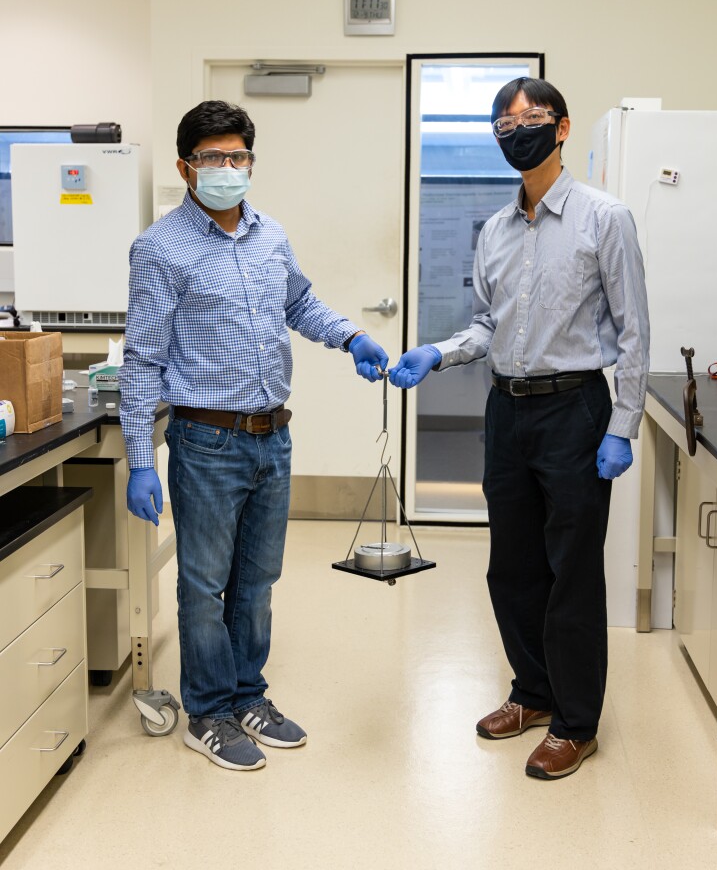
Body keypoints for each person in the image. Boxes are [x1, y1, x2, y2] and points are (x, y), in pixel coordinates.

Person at [389, 78, 650, 780]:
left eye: (531, 119)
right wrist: (438, 351)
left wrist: (622, 424)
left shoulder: (605, 218)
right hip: (506, 410)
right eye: (504, 125)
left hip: (575, 410)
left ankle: (576, 723)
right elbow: (486, 324)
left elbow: (634, 330)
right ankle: (533, 692)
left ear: (561, 129)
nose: (518, 132)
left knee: (572, 572)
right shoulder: (496, 230)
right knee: (513, 566)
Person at [120, 100, 388, 771]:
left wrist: (351, 335)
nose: (227, 167)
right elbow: (143, 360)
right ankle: (207, 712)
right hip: (206, 441)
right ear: (185, 166)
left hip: (273, 437)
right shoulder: (159, 249)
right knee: (204, 584)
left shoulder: (271, 236)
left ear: (251, 161)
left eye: (237, 155)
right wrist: (139, 459)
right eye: (212, 157)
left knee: (257, 580)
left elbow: (299, 303)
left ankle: (247, 697)